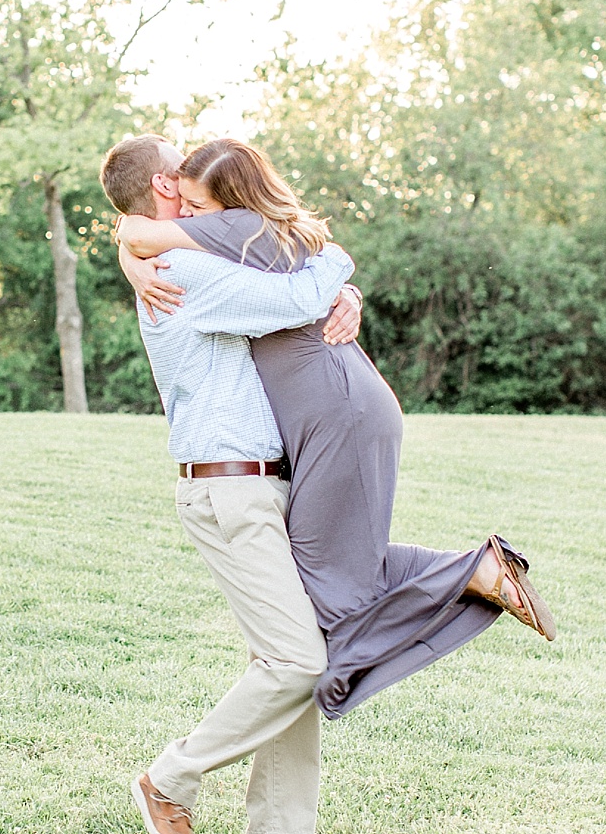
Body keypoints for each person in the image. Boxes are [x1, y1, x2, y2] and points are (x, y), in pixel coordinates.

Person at [113, 137, 555, 724]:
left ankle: (467, 577)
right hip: (334, 408)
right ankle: (472, 574)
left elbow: (291, 289)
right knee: (330, 578)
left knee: (326, 591)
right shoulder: (220, 239)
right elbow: (139, 234)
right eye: (181, 189)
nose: (188, 206)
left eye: (197, 201)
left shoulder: (228, 233)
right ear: (165, 185)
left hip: (336, 409)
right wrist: (129, 253)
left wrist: (339, 274)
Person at [98, 134, 358, 834]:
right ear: (165, 185)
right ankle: (168, 779)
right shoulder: (181, 270)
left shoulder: (179, 257)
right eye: (181, 167)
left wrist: (346, 299)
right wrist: (337, 264)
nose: (192, 176)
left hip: (262, 481)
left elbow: (296, 298)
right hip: (228, 485)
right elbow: (299, 293)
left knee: (290, 652)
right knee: (296, 661)